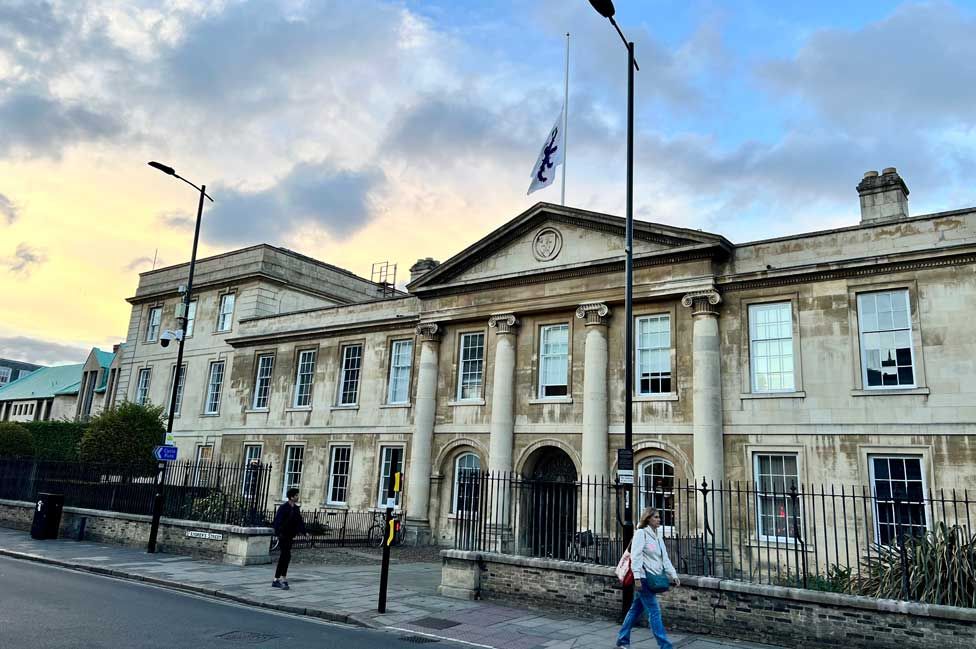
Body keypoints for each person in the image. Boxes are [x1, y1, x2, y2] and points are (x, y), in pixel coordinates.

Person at [615, 507, 680, 649]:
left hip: (653, 578)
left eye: (659, 517)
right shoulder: (641, 534)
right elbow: (636, 556)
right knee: (655, 611)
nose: (659, 519)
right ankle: (665, 646)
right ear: (648, 519)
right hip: (644, 579)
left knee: (635, 610)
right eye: (656, 517)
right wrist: (637, 577)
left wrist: (673, 575)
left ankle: (622, 640)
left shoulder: (658, 537)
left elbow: (665, 559)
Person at [272, 487, 306, 590]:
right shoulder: (283, 508)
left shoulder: (296, 508)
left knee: (285, 557)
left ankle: (276, 579)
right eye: (296, 495)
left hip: (290, 535)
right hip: (283, 535)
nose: (297, 497)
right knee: (286, 556)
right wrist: (278, 533)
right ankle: (282, 579)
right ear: (291, 497)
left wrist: (304, 532)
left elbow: (299, 521)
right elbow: (277, 522)